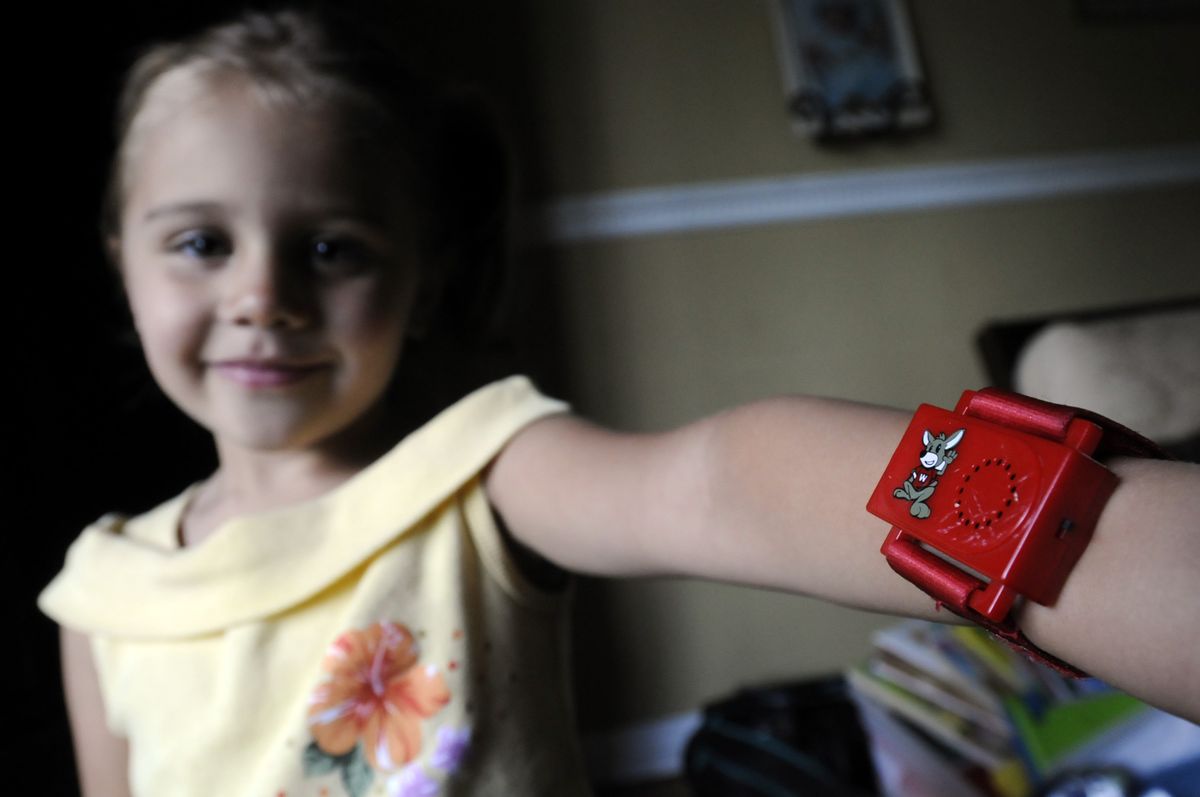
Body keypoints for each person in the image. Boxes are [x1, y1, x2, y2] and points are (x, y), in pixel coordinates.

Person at [39, 8, 1199, 797]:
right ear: (118, 257)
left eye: (331, 248)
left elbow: (720, 482)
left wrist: (1091, 532)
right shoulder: (100, 594)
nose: (261, 295)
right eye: (198, 241)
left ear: (425, 272)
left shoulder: (481, 470)